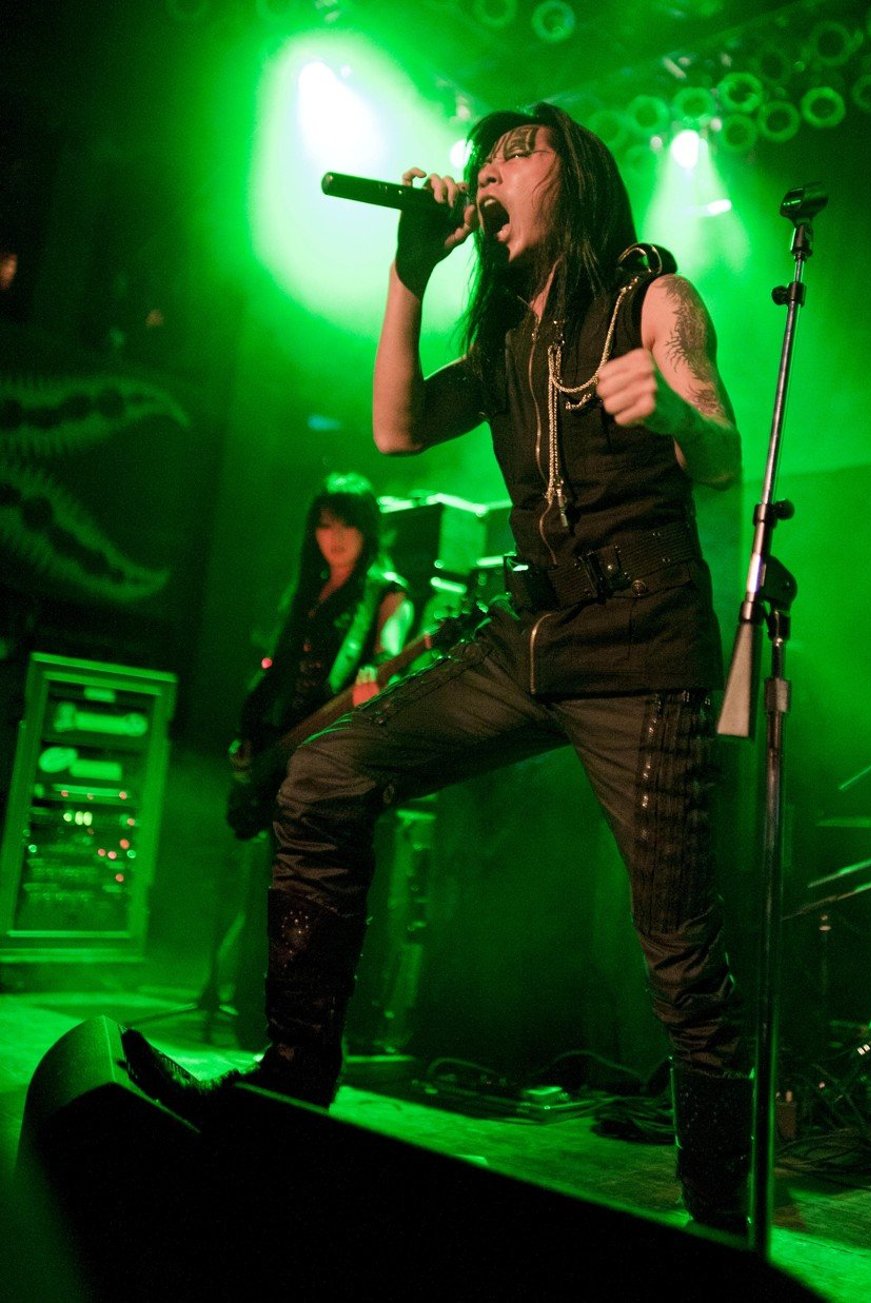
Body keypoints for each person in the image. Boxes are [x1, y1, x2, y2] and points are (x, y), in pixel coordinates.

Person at [126, 103, 751, 1235]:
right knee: (320, 777)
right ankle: (291, 1078)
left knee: (679, 949)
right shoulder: (506, 335)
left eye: (519, 152)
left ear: (578, 177)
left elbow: (722, 445)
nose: (489, 171)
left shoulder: (647, 294)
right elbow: (397, 429)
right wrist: (410, 270)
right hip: (535, 635)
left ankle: (719, 1220)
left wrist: (672, 410)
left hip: (641, 643)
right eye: (484, 158)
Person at [221, 472, 414, 1045]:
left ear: (368, 530)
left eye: (347, 524)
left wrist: (374, 679)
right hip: (280, 758)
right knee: (277, 889)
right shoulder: (303, 589)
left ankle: (321, 1033)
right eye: (324, 524)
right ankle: (260, 1023)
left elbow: (393, 661)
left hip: (337, 760)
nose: (334, 537)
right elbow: (272, 672)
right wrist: (248, 737)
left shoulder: (385, 593)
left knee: (325, 896)